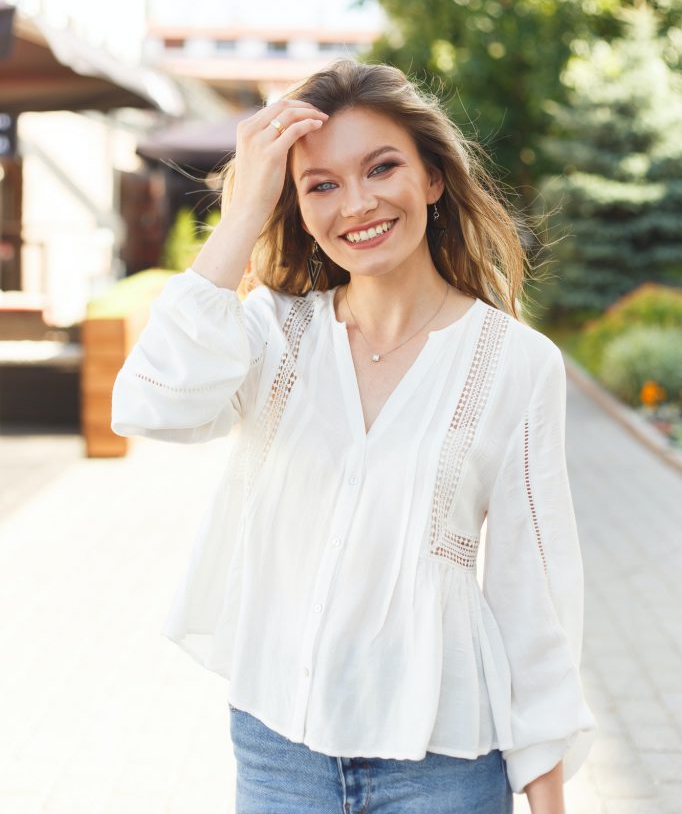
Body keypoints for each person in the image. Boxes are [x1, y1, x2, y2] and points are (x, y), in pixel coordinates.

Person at [111, 59, 597, 814]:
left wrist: (549, 795)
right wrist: (243, 211)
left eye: (381, 168)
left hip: (441, 762)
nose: (357, 204)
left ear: (433, 178)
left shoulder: (515, 363)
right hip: (279, 754)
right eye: (321, 185)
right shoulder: (272, 333)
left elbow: (534, 593)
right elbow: (149, 404)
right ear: (295, 205)